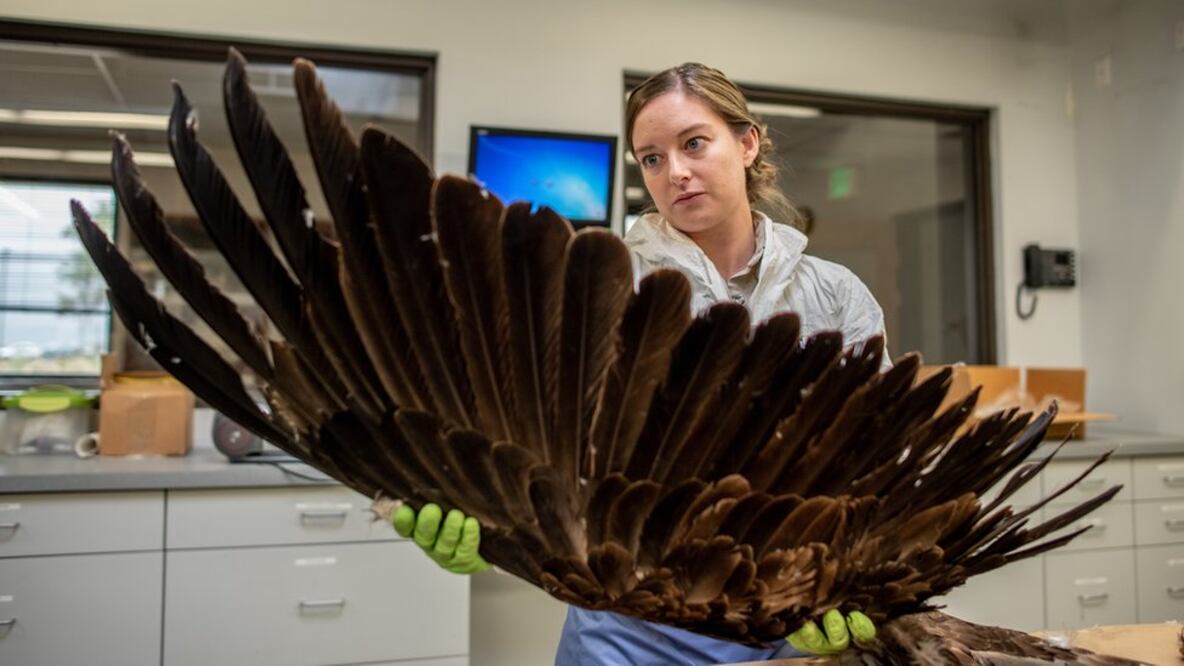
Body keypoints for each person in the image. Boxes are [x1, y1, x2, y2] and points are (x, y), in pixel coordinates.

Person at [394, 62, 889, 664]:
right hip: (625, 631)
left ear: (748, 142)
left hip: (786, 625)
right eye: (651, 158)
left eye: (694, 143)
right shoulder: (596, 284)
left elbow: (879, 459)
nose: (674, 172)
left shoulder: (836, 296)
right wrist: (481, 509)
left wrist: (857, 579)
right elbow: (533, 432)